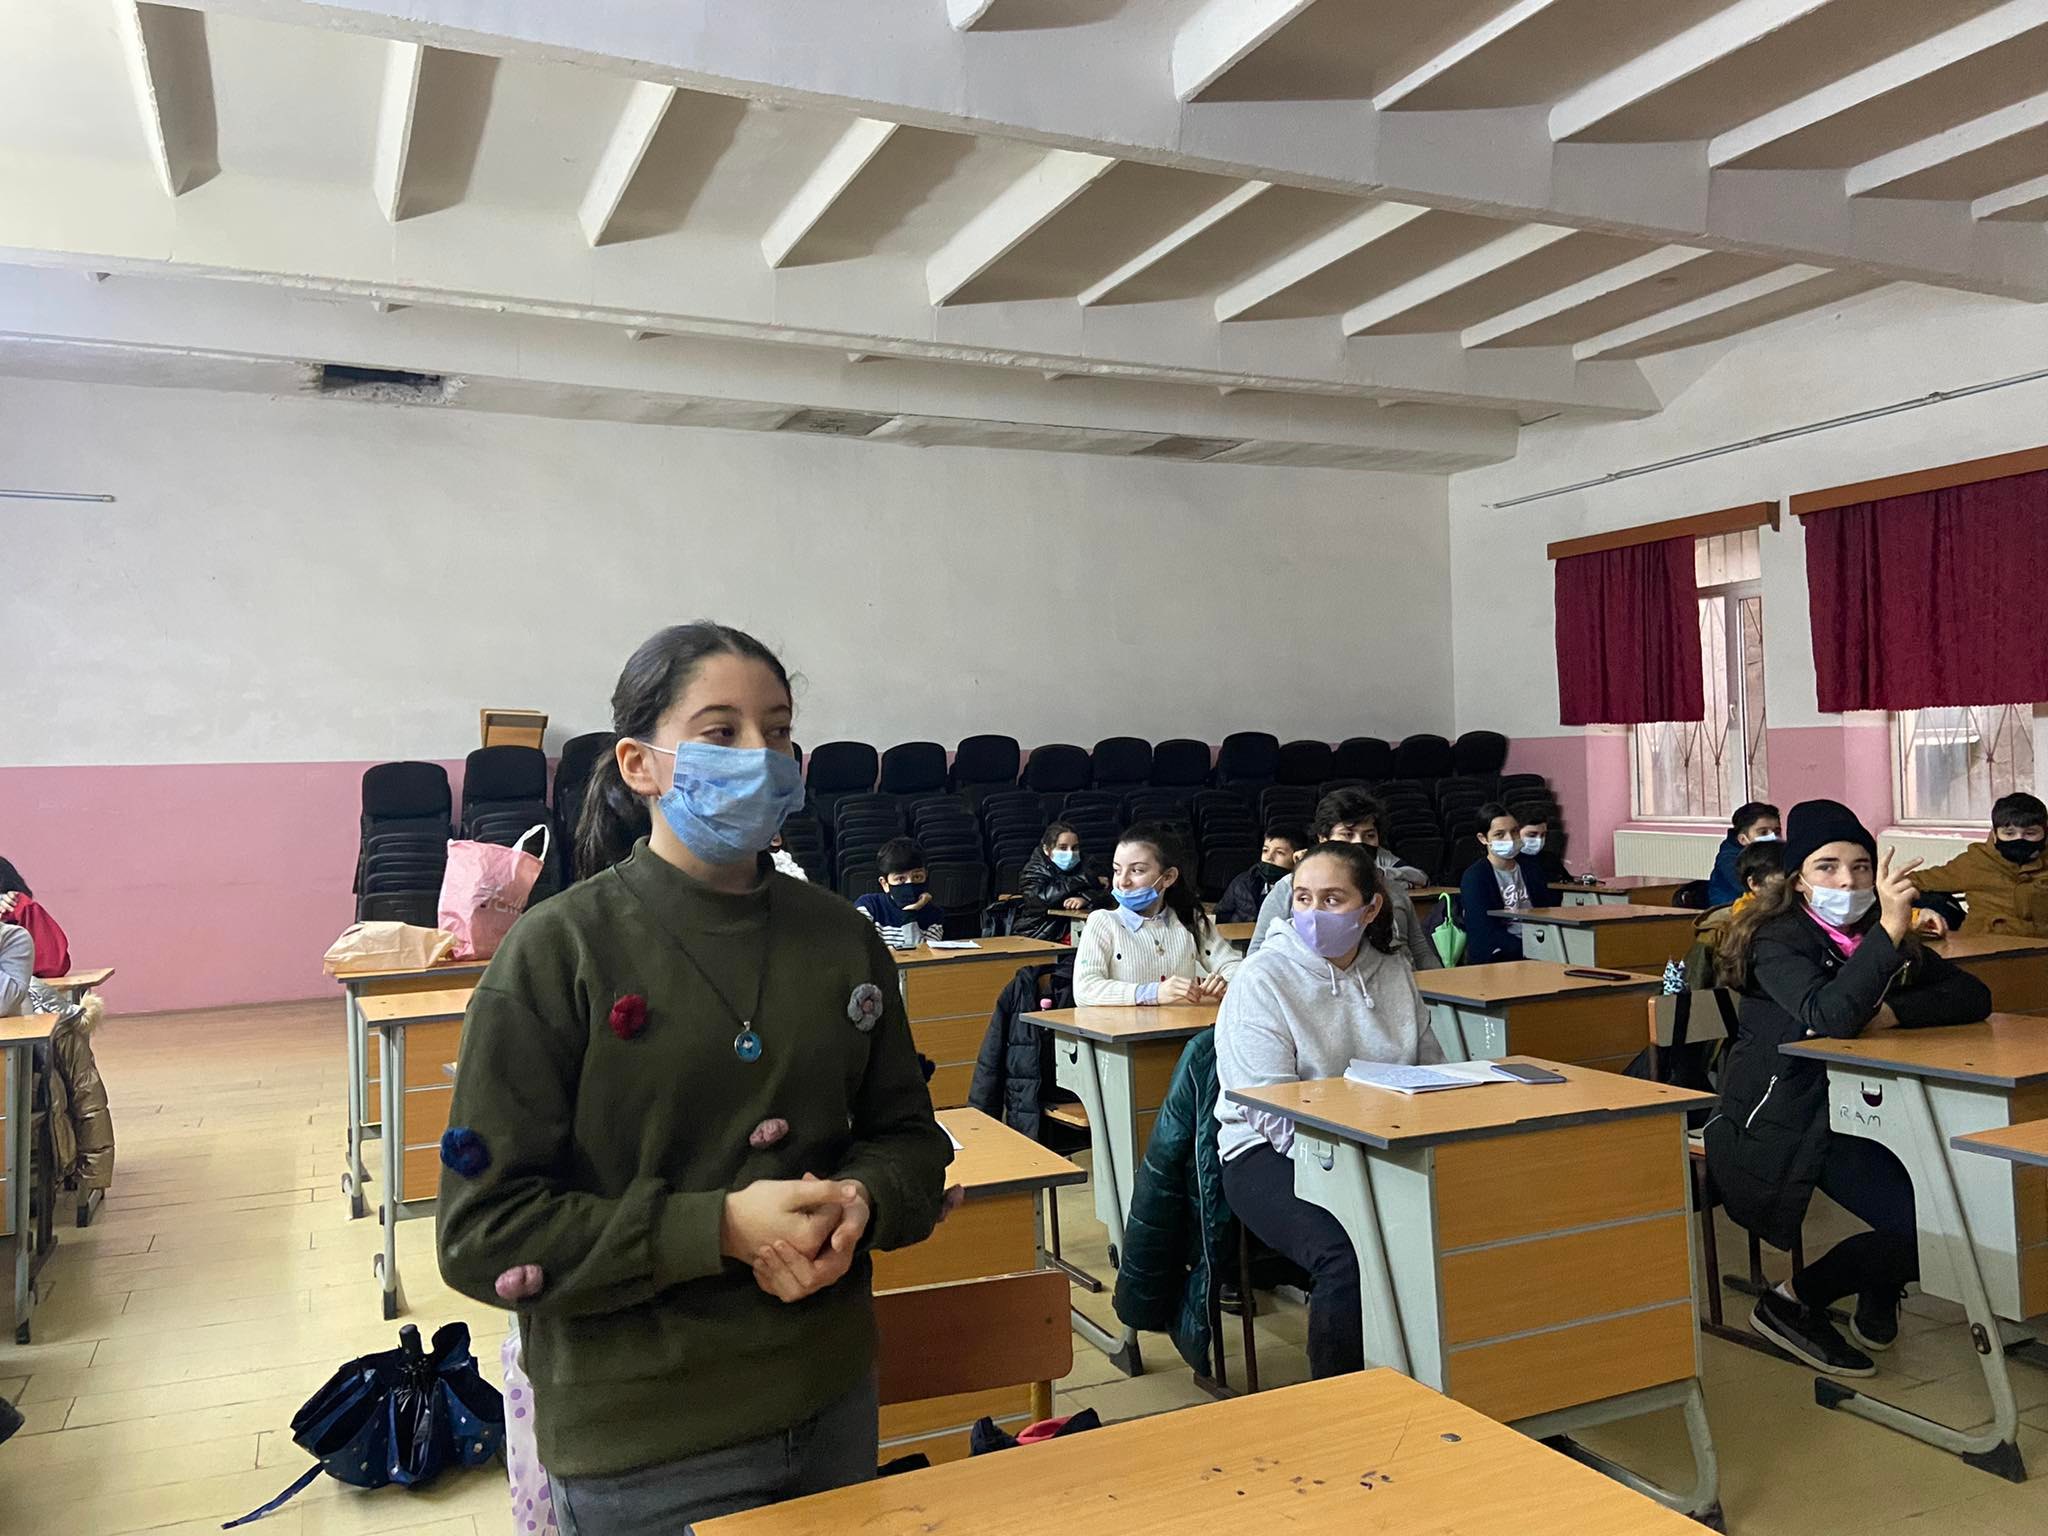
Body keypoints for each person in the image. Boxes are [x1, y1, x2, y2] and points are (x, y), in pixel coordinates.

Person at [435, 622, 952, 1534]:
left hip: (831, 1399)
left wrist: (863, 1199)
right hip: (644, 1441)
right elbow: (484, 1233)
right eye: (721, 732)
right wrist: (717, 1227)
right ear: (640, 764)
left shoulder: (843, 938)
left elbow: (909, 1139)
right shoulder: (557, 953)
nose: (762, 756)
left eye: (779, 731)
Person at [1705, 799, 1990, 1377]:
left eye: (1861, 867)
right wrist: (1889, 929)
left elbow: (1972, 995)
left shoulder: (1873, 935)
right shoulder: (1777, 938)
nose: (1848, 881)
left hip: (1877, 1108)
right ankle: (1791, 1302)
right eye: (1828, 867)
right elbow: (1831, 1013)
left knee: (1967, 1210)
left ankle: (1877, 1282)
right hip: (1794, 1113)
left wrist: (1891, 1015)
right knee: (1928, 1227)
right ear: (1798, 879)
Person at [1214, 842, 1442, 1377]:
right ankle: (1340, 1399)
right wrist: (1350, 1175)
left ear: (1371, 908)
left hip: (1380, 1143)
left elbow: (1429, 1072)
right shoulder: (1261, 978)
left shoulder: (1393, 971)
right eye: (1303, 898)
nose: (1314, 912)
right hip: (1269, 1151)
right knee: (1348, 1251)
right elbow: (1269, 1109)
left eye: (1333, 899)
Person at [1247, 790, 1440, 971]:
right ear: (1323, 839)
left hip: (1399, 983)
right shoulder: (1290, 888)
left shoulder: (1392, 888)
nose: (1359, 843)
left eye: (1369, 835)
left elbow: (1420, 951)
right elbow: (1258, 953)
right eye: (1348, 834)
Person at [1073, 823, 1239, 1005]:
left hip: (1179, 1022)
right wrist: (1152, 993)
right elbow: (1085, 989)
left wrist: (1226, 984)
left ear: (1168, 877)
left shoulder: (1189, 918)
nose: (1123, 881)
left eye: (1136, 871)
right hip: (1123, 1024)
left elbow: (1235, 967)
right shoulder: (1103, 922)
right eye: (1117, 870)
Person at [1909, 791, 2048, 937]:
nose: (2019, 839)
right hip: (1981, 943)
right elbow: (1911, 882)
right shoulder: (1976, 862)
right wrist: (1916, 914)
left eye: (2030, 833)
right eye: (2009, 833)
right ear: (1995, 835)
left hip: (2040, 946)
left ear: (2045, 834)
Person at [1457, 802, 1556, 965]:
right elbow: (1484, 929)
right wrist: (1529, 950)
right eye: (1499, 834)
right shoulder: (1475, 876)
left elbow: (1547, 911)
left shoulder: (1531, 868)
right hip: (1499, 955)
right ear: (1483, 838)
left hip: (1538, 945)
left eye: (1514, 831)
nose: (1510, 839)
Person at [1015, 821, 1108, 941]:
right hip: (1041, 932)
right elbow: (1040, 900)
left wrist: (1085, 899)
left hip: (1078, 929)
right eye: (1063, 848)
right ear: (1047, 849)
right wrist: (1084, 880)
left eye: (1074, 848)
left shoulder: (1087, 863)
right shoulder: (1034, 870)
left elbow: (1109, 892)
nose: (1070, 853)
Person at [854, 837, 944, 950]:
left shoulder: (934, 914)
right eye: (900, 879)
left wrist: (908, 915)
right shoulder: (869, 906)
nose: (910, 883)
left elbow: (923, 956)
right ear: (885, 884)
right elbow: (855, 948)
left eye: (917, 877)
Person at [1215, 825, 1307, 924]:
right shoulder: (1243, 882)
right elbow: (1221, 915)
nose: (1269, 857)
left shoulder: (1304, 888)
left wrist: (1302, 867)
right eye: (1265, 850)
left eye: (1279, 852)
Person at [1706, 801, 1781, 907]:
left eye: (1777, 832)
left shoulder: (1777, 850)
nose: (1773, 837)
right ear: (1743, 839)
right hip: (1729, 909)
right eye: (1763, 832)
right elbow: (1756, 887)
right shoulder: (1729, 858)